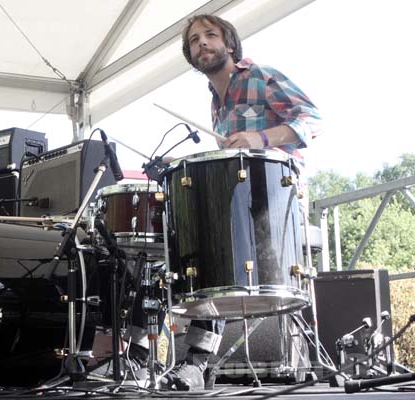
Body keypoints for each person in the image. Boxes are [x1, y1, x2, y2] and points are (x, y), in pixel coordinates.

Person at [169, 14, 322, 390]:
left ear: (230, 44)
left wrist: (261, 138)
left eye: (210, 35)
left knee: (222, 242)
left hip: (277, 196)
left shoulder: (260, 76)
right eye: (193, 41)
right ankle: (195, 363)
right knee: (208, 251)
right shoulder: (215, 104)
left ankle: (199, 362)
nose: (201, 43)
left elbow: (313, 120)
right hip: (237, 200)